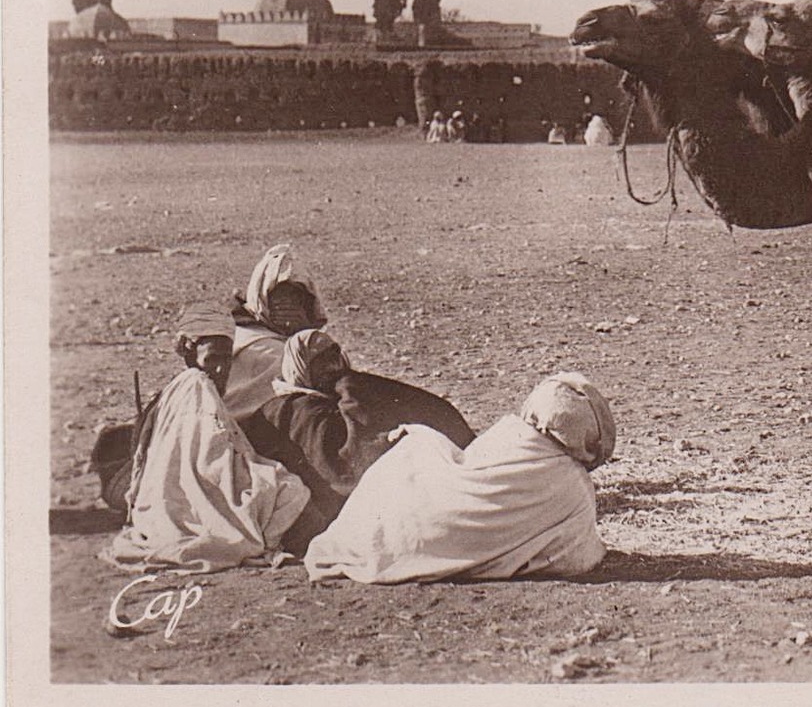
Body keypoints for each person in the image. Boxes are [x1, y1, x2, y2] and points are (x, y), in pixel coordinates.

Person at [304, 372, 615, 583]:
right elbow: (581, 555)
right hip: (433, 544)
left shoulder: (513, 433)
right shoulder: (573, 486)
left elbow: (466, 463)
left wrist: (423, 438)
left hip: (400, 528)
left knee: (416, 452)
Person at [103, 305, 311, 573]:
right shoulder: (197, 385)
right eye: (212, 358)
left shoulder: (181, 385)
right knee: (288, 491)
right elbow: (210, 459)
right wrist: (257, 473)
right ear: (189, 351)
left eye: (226, 359)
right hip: (192, 493)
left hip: (170, 496)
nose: (221, 368)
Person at [239, 329, 476, 550]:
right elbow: (344, 468)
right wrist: (350, 387)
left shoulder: (324, 404)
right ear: (301, 368)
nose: (332, 369)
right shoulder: (300, 410)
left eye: (336, 361)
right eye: (321, 365)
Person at [222, 244, 328, 421]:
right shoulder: (260, 346)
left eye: (296, 296)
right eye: (278, 296)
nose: (287, 305)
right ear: (261, 299)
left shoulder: (293, 345)